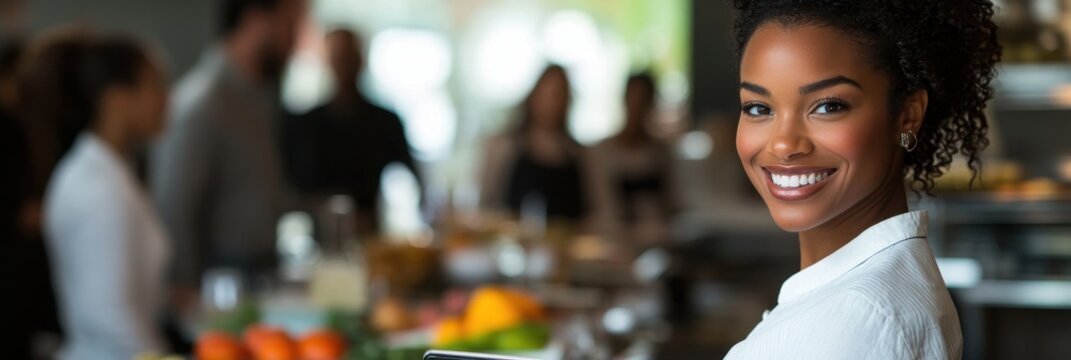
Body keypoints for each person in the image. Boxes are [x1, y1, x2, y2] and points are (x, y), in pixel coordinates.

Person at [725, 0, 1000, 358]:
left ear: (907, 115)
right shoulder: (868, 295)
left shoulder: (851, 323)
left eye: (828, 106)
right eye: (758, 108)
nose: (783, 144)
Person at [31, 30, 171, 360]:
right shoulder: (98, 188)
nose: (167, 98)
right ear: (116, 98)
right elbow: (110, 315)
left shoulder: (110, 171)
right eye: (155, 85)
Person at [151, 0, 302, 293]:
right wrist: (187, 288)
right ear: (255, 20)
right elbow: (173, 208)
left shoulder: (257, 97)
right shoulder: (203, 103)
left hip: (261, 273)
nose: (294, 41)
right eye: (290, 25)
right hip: (221, 283)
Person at [282, 28, 421, 233]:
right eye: (339, 57)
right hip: (321, 239)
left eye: (350, 57)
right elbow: (289, 192)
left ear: (362, 61)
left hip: (371, 234)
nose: (345, 66)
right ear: (328, 62)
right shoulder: (306, 124)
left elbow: (415, 179)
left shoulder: (385, 122)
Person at [479, 65, 591, 222]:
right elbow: (486, 207)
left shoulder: (580, 155)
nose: (552, 104)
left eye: (558, 95)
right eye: (547, 94)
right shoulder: (505, 147)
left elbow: (591, 212)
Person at [589, 72, 676, 244]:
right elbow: (602, 207)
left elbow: (669, 204)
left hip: (656, 241)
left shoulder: (660, 153)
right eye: (633, 99)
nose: (637, 107)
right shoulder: (601, 152)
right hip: (613, 242)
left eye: (643, 101)